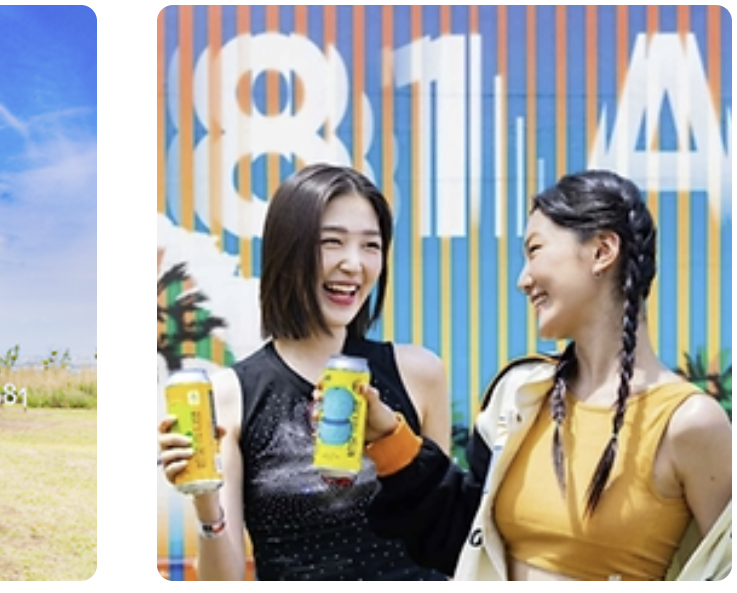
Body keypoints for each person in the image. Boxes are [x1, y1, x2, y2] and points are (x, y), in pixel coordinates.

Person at [355, 170, 732, 580]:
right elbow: (461, 536)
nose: (523, 280)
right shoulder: (519, 393)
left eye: (535, 250)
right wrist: (389, 437)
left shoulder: (688, 422)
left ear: (602, 251)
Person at [155, 163, 452, 580]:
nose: (354, 264)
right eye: (332, 242)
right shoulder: (231, 395)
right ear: (288, 249)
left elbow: (445, 538)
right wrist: (206, 502)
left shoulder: (419, 373)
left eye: (371, 245)